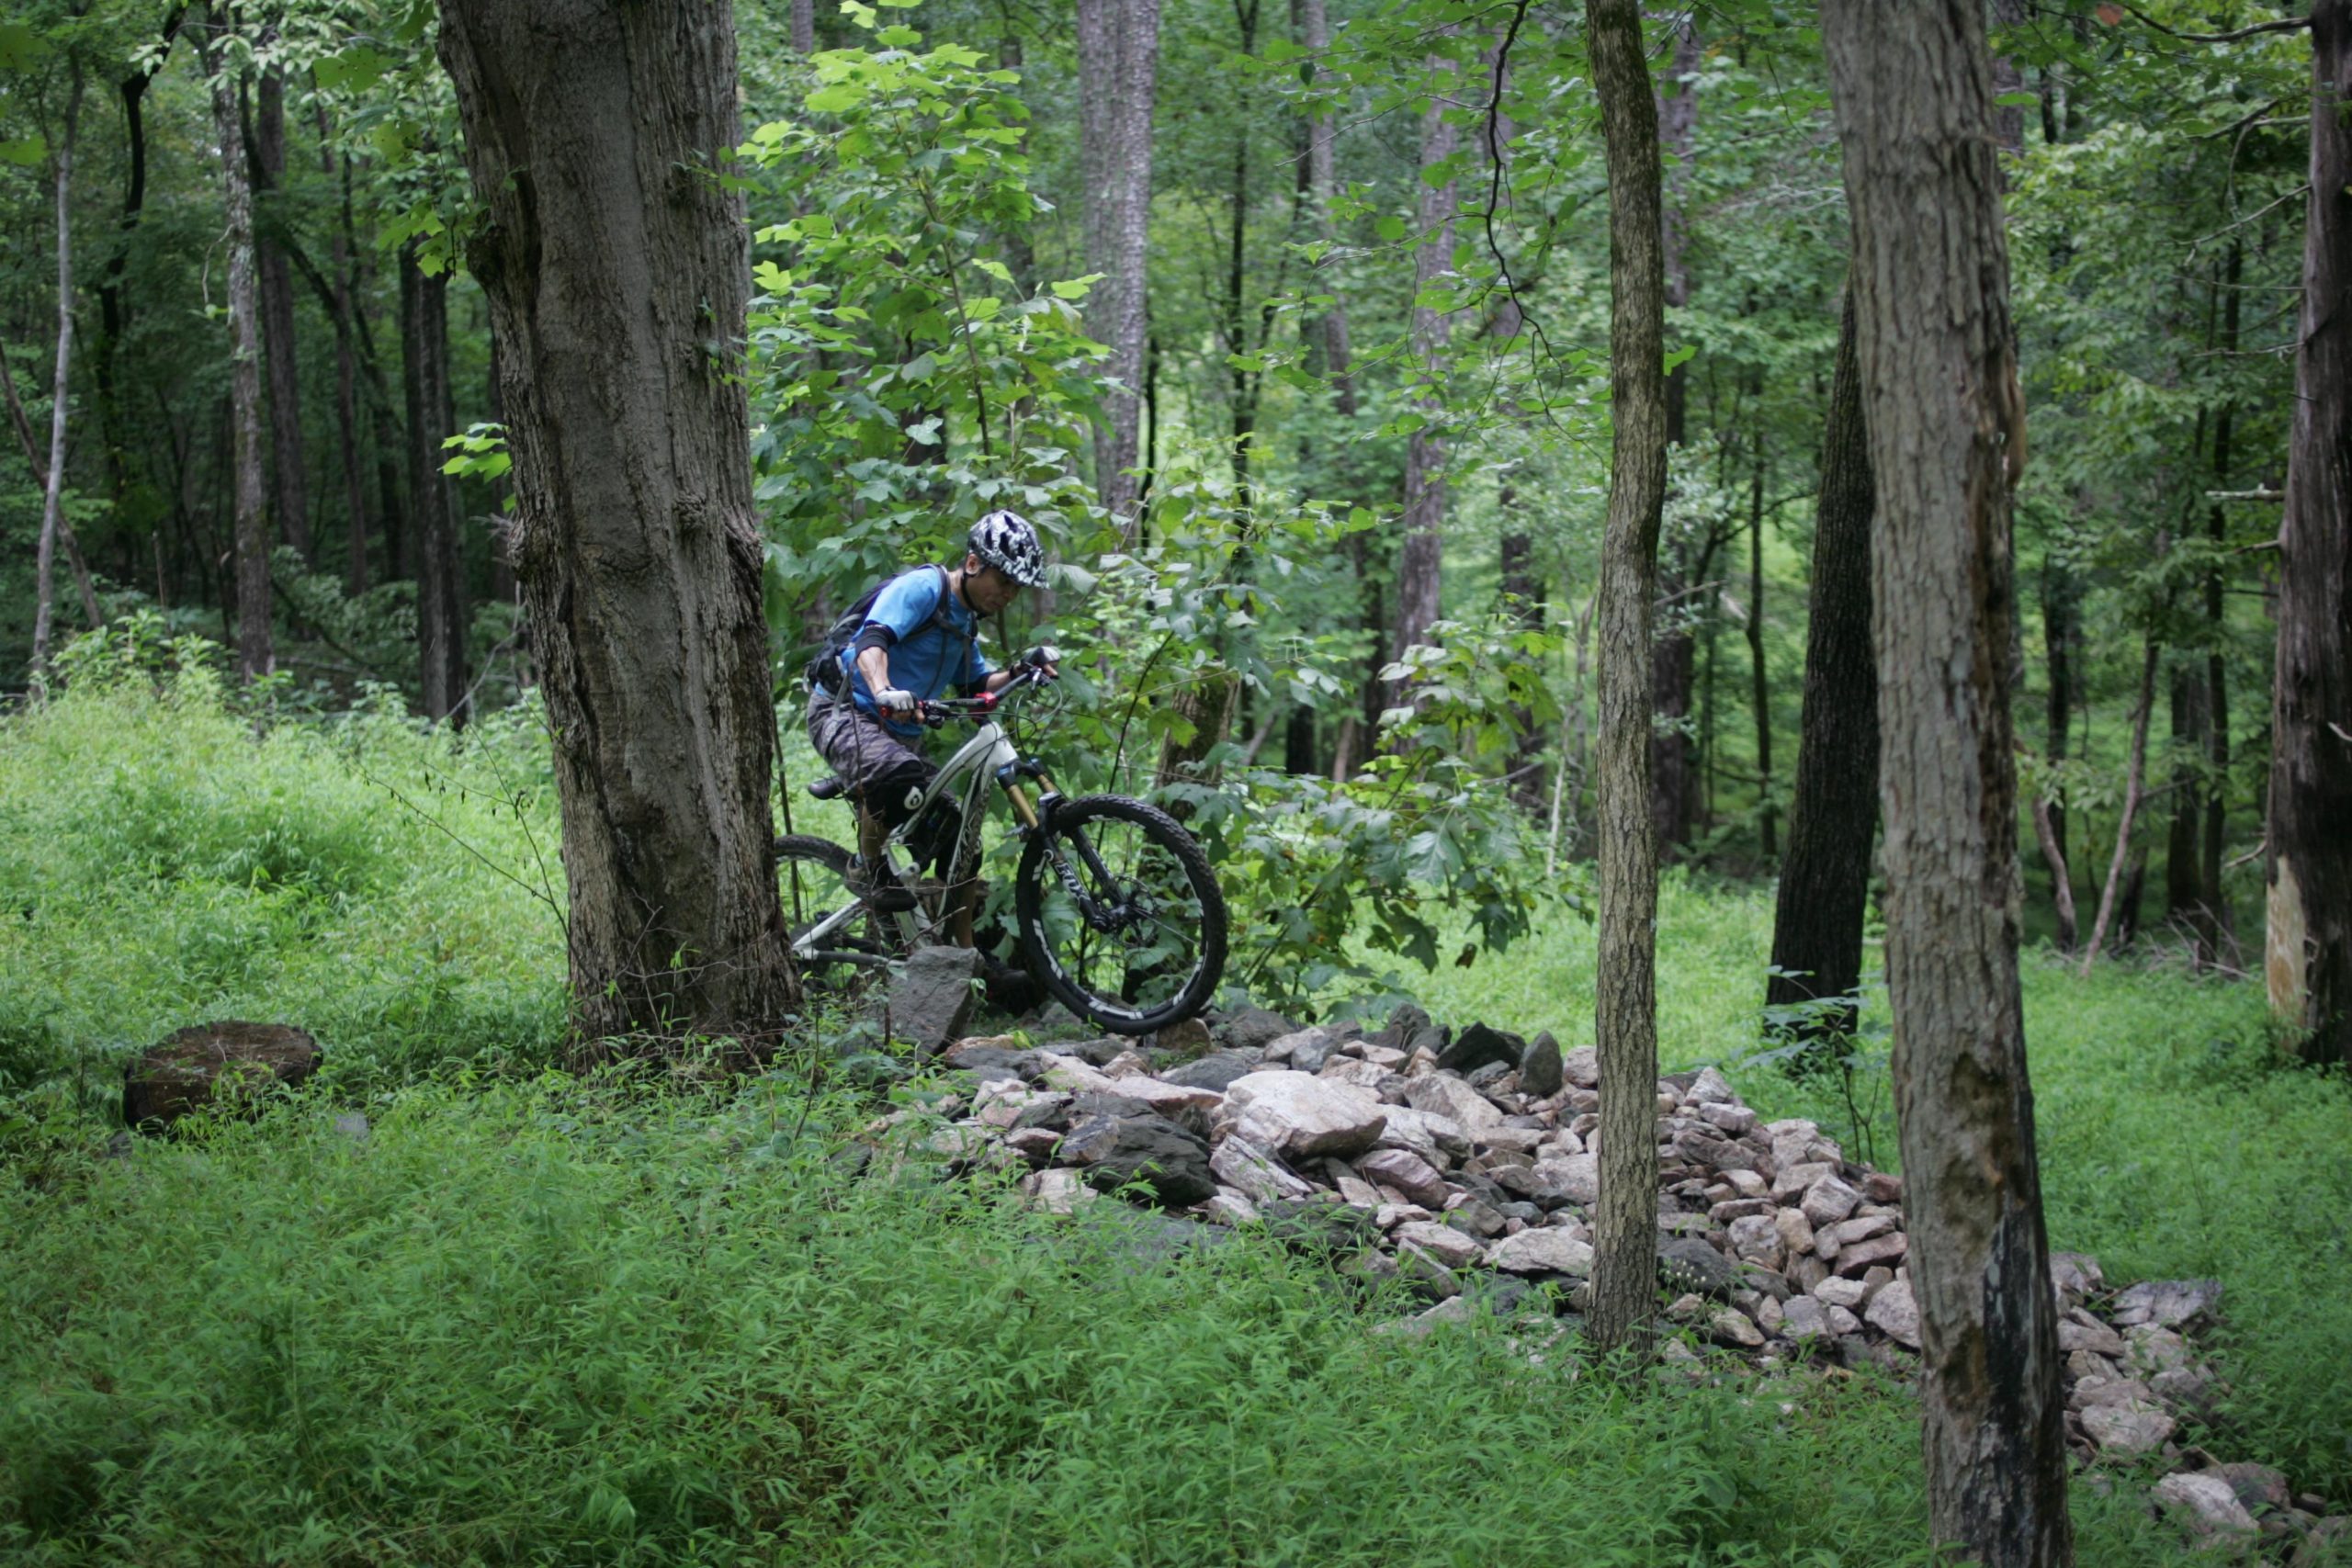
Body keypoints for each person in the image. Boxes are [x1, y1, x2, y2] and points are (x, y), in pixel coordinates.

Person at [807, 510, 1057, 909]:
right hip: (845, 713)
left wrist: (1021, 669)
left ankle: (964, 954)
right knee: (900, 780)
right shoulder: (923, 588)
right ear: (973, 564)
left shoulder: (964, 624)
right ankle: (865, 868)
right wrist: (884, 689)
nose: (1010, 595)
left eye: (1018, 588)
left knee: (960, 842)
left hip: (900, 737)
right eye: (1005, 581)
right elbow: (873, 641)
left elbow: (977, 686)